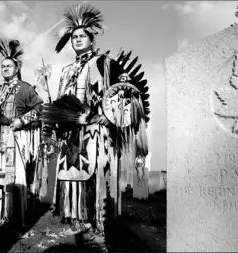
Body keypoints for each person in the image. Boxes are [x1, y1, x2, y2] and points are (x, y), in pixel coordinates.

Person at [42, 4, 150, 231]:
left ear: (92, 39)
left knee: (94, 172)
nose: (78, 40)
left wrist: (107, 117)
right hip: (70, 130)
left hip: (95, 130)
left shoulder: (104, 63)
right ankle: (74, 217)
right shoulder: (66, 70)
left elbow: (124, 92)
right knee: (70, 171)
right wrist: (55, 124)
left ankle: (96, 219)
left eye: (82, 36)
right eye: (74, 37)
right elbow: (62, 101)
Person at [0, 38, 44, 226]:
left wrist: (22, 120)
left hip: (18, 138)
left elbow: (40, 108)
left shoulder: (25, 88)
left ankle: (18, 216)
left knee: (17, 176)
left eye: (8, 66)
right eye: (2, 66)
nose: (5, 68)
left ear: (17, 68)